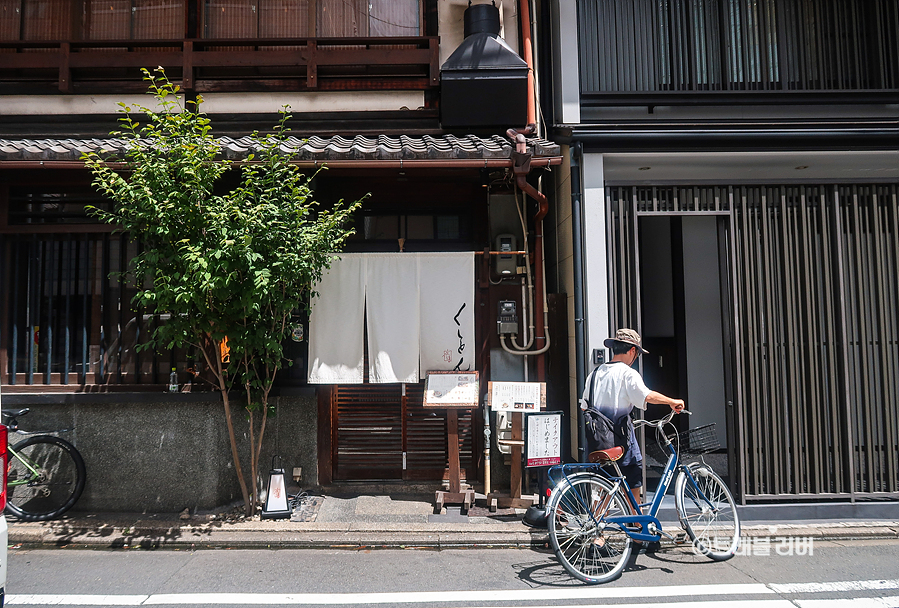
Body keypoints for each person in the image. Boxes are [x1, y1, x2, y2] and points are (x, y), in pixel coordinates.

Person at [581, 328, 685, 512]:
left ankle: (597, 531)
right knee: (632, 479)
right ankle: (637, 526)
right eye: (636, 353)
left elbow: (584, 407)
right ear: (632, 350)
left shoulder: (594, 374)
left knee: (603, 484)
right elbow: (646, 396)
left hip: (596, 442)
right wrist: (672, 402)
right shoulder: (627, 373)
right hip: (620, 441)